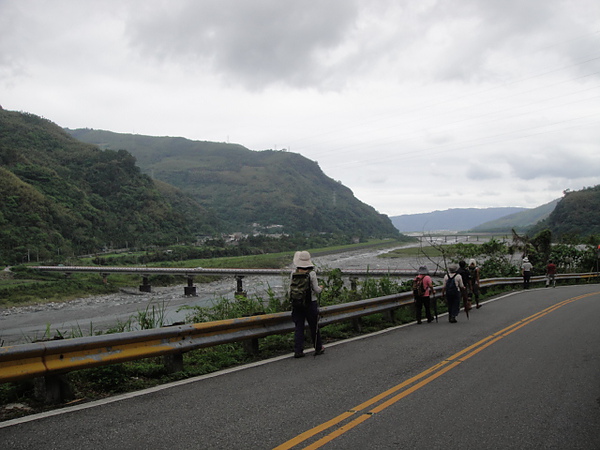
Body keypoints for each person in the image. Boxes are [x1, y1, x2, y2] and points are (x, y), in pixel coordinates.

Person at [290, 251, 325, 358]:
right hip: (310, 303)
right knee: (314, 326)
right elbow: (316, 290)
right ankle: (318, 347)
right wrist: (321, 288)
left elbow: (290, 290)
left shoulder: (293, 273)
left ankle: (298, 350)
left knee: (299, 327)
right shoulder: (311, 273)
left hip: (297, 303)